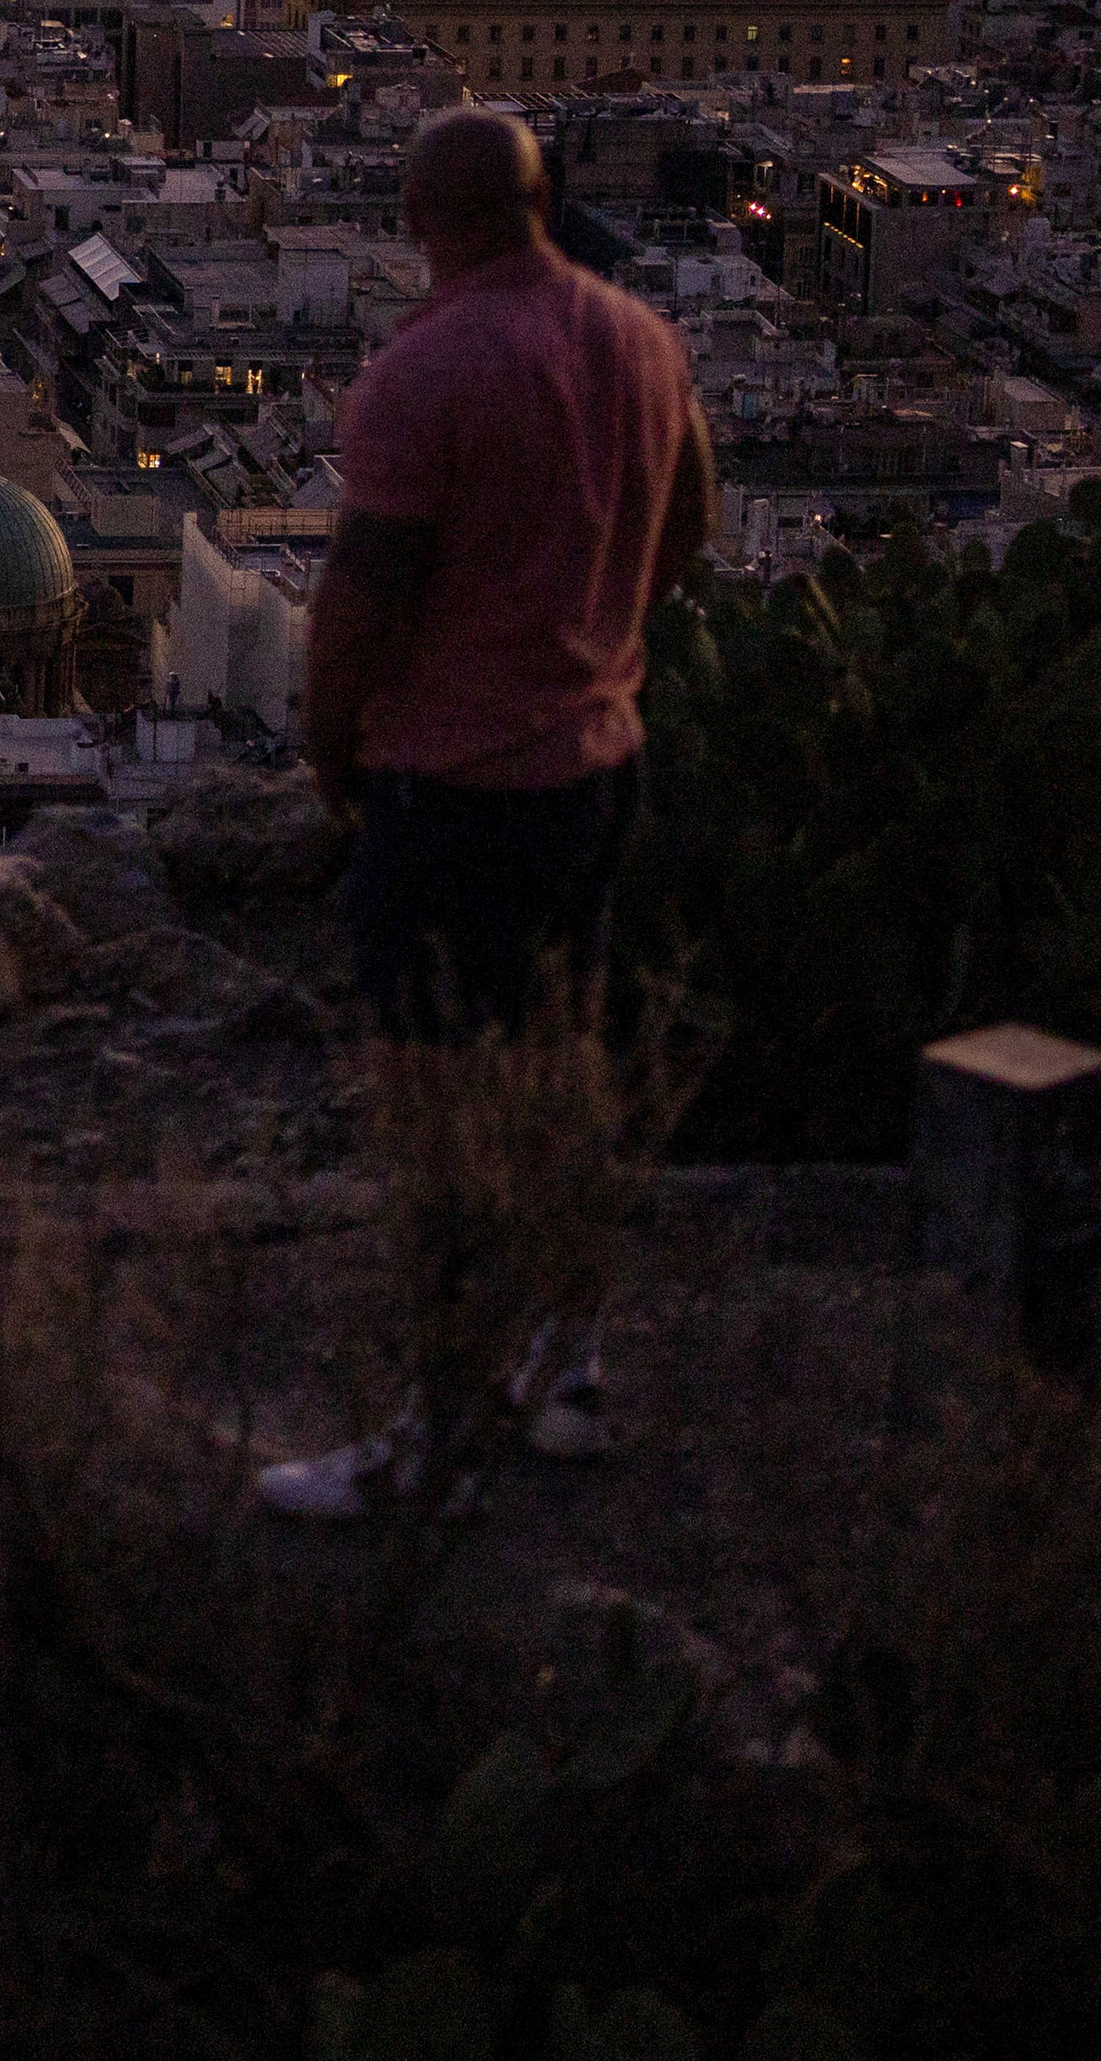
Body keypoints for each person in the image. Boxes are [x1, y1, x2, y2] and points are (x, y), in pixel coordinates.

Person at [256, 105, 716, 1521]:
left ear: (412, 217)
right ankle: (565, 1369)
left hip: (454, 789)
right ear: (543, 200)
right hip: (596, 761)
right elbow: (690, 515)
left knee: (434, 1117)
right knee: (561, 1070)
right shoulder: (638, 337)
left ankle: (436, 1431)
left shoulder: (421, 376)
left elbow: (356, 608)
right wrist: (594, 638)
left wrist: (333, 754)